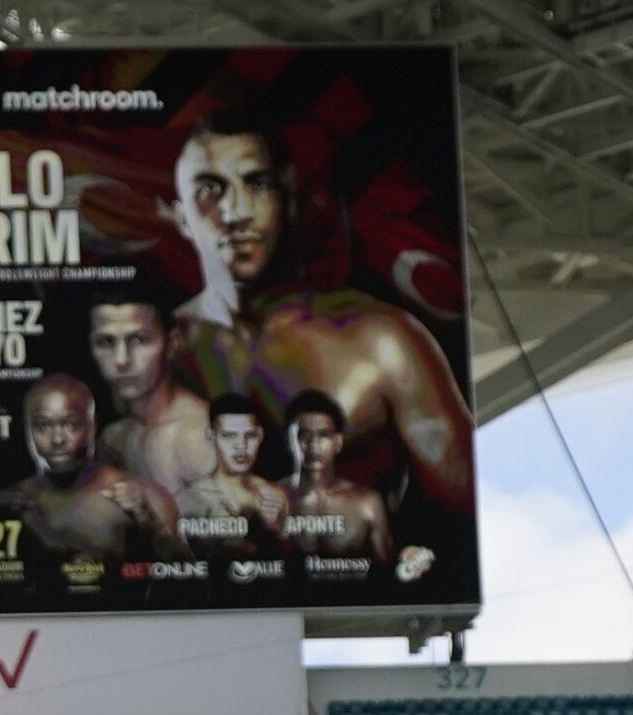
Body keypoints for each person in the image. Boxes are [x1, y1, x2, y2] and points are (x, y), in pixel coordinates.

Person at [165, 107, 475, 516]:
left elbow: (463, 515)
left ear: (288, 194)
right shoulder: (156, 353)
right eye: (210, 189)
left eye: (257, 183)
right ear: (182, 217)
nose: (236, 212)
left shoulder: (381, 340)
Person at [0, 375, 182, 561]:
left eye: (70, 424)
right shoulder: (7, 504)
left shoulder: (145, 499)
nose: (57, 439)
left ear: (92, 426)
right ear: (29, 429)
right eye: (43, 426)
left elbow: (191, 582)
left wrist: (152, 524)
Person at [86, 298, 213, 497]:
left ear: (172, 343)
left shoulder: (198, 435)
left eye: (138, 340)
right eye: (106, 342)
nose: (121, 360)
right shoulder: (113, 438)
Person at [282, 389, 395, 567]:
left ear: (338, 443)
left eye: (323, 435)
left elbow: (387, 574)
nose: (314, 446)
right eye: (304, 435)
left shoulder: (367, 502)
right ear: (289, 441)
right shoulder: (267, 497)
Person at [171, 391, 288, 554]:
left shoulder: (275, 496)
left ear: (260, 436)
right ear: (211, 436)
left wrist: (276, 530)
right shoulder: (187, 499)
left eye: (250, 435)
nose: (241, 446)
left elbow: (295, 564)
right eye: (229, 436)